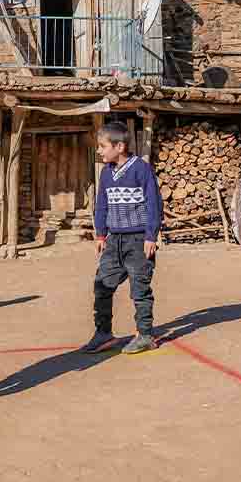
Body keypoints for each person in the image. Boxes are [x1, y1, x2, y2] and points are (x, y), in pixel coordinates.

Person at [82, 121, 162, 356]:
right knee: (102, 285)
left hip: (138, 240)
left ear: (119, 146)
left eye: (102, 146)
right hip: (114, 240)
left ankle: (145, 334)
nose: (99, 150)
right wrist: (100, 234)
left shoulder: (141, 169)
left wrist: (151, 236)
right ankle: (103, 333)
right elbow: (102, 205)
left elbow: (153, 203)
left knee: (140, 288)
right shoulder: (106, 173)